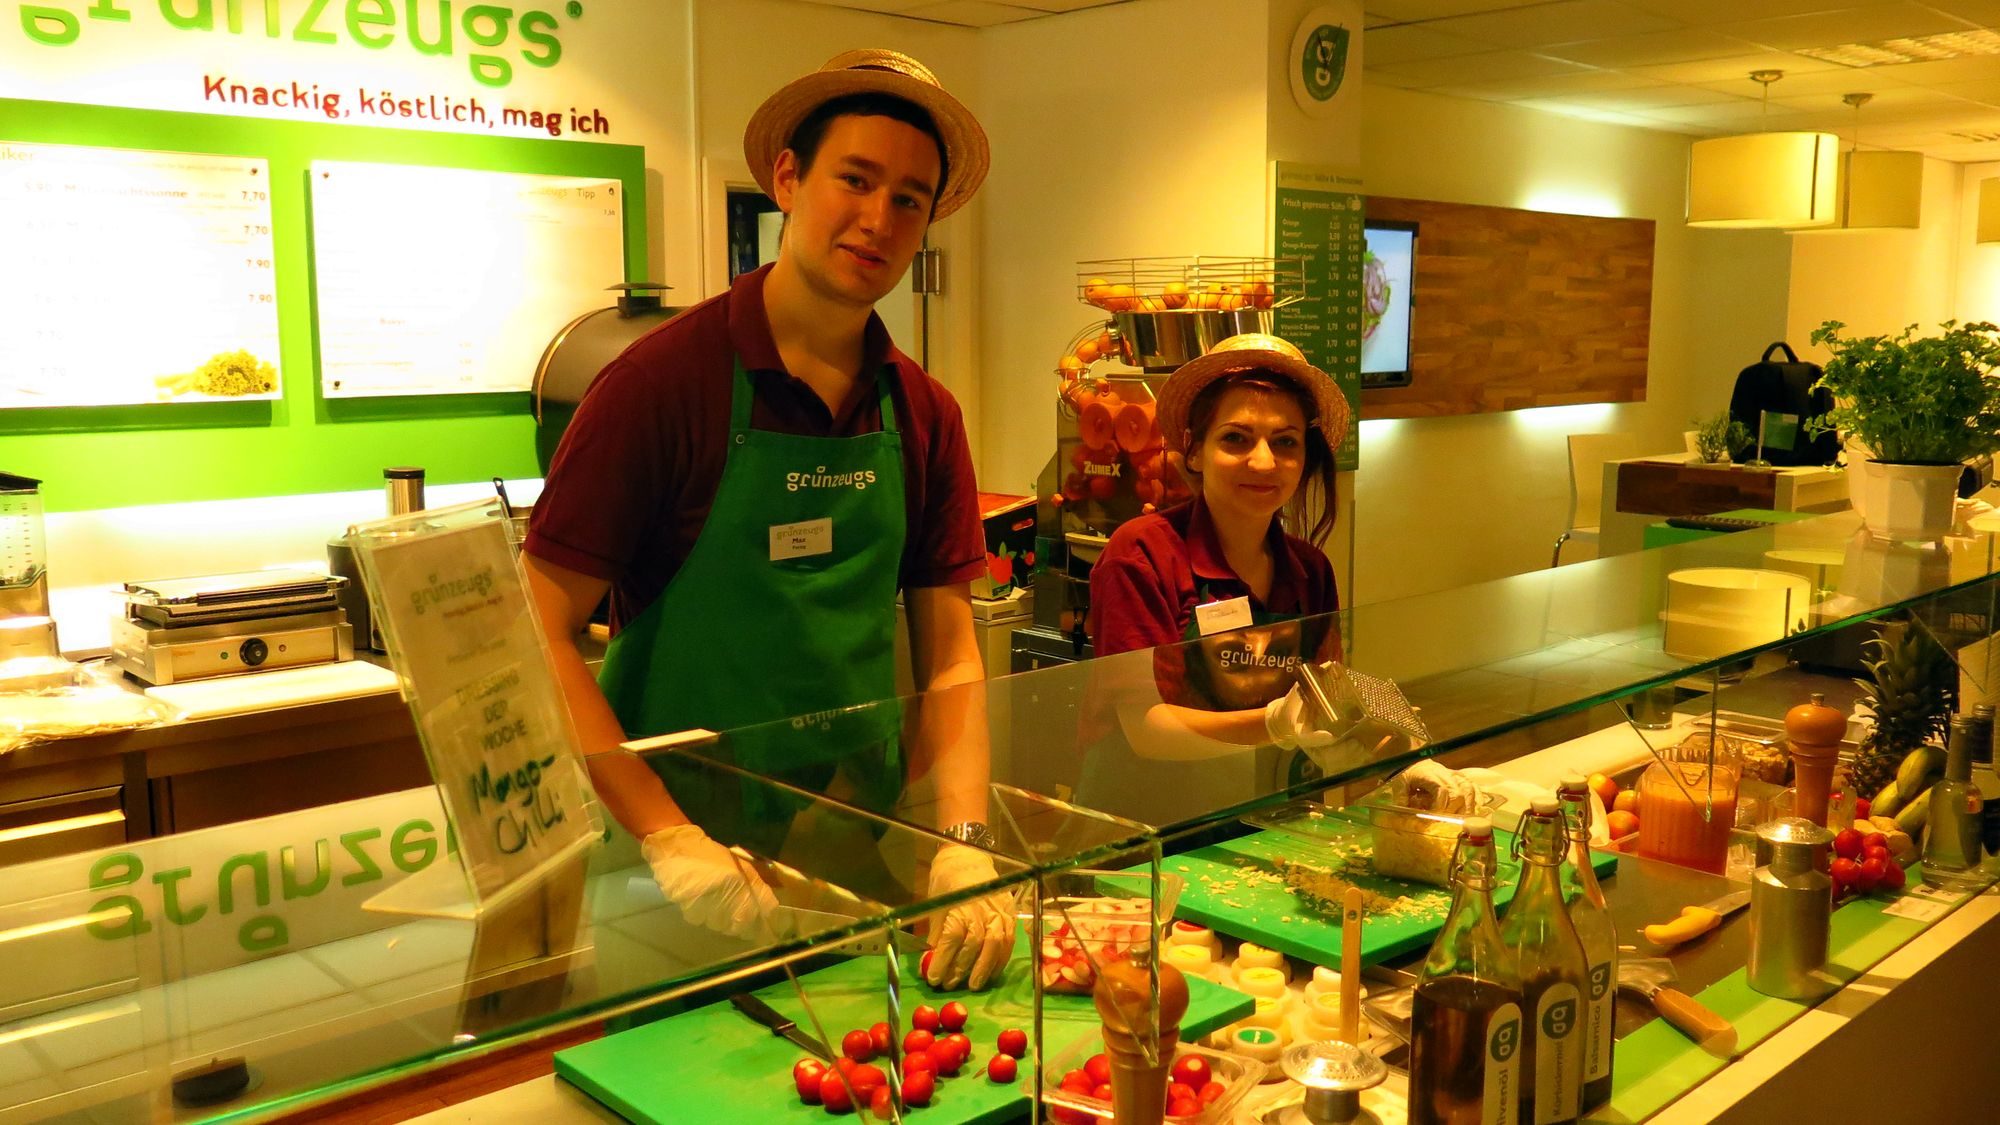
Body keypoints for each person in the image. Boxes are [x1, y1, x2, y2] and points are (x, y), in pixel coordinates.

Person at [523, 50, 1011, 991]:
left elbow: (951, 653)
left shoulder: (923, 412)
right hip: (675, 877)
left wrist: (960, 842)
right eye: (855, 180)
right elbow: (536, 630)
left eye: (910, 199)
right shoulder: (660, 387)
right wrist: (666, 834)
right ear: (788, 179)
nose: (878, 219)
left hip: (850, 853)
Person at [1088, 333, 1351, 764]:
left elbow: (1327, 698)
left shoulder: (1311, 570)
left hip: (1266, 806)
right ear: (1194, 451)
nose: (1264, 462)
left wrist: (1403, 756)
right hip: (1150, 813)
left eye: (1285, 441)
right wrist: (1273, 724)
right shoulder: (1140, 554)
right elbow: (1144, 729)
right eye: (1236, 438)